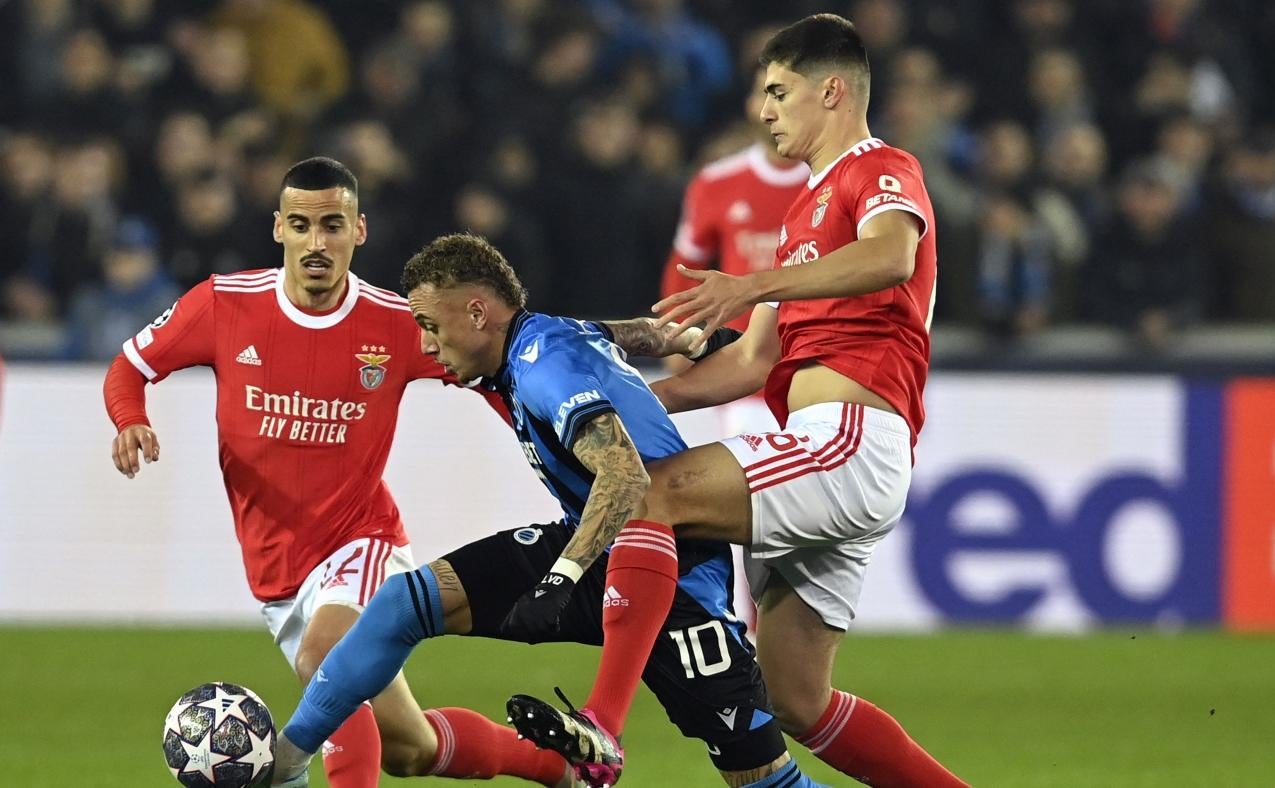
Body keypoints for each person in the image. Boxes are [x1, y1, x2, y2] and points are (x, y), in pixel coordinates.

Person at [506, 15, 967, 787]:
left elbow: (893, 255)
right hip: (822, 447)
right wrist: (629, 395)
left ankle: (604, 728)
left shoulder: (879, 167)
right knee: (798, 699)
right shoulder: (798, 219)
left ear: (833, 90)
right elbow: (752, 363)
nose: (765, 110)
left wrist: (750, 282)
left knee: (650, 496)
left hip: (851, 437)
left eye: (780, 92)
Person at [268, 232, 824, 788]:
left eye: (431, 326)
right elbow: (625, 335)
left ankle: (598, 743)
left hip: (672, 574)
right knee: (400, 604)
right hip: (594, 544)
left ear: (478, 312)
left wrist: (561, 579)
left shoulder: (542, 369)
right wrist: (687, 337)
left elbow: (627, 477)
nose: (428, 345)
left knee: (762, 781)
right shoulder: (544, 342)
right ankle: (288, 761)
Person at [102, 158, 575, 788]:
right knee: (409, 747)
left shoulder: (396, 322)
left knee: (324, 657)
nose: (317, 242)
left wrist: (554, 433)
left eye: (332, 225)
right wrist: (130, 418)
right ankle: (559, 767)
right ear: (279, 230)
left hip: (363, 542)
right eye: (301, 225)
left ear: (359, 230)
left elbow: (495, 367)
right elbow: (129, 368)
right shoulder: (223, 304)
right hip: (276, 573)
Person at [659, 65, 809, 341]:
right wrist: (677, 337)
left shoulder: (836, 178)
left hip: (815, 354)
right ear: (749, 104)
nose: (771, 106)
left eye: (782, 94)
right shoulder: (714, 181)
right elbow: (683, 270)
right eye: (763, 93)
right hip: (738, 356)